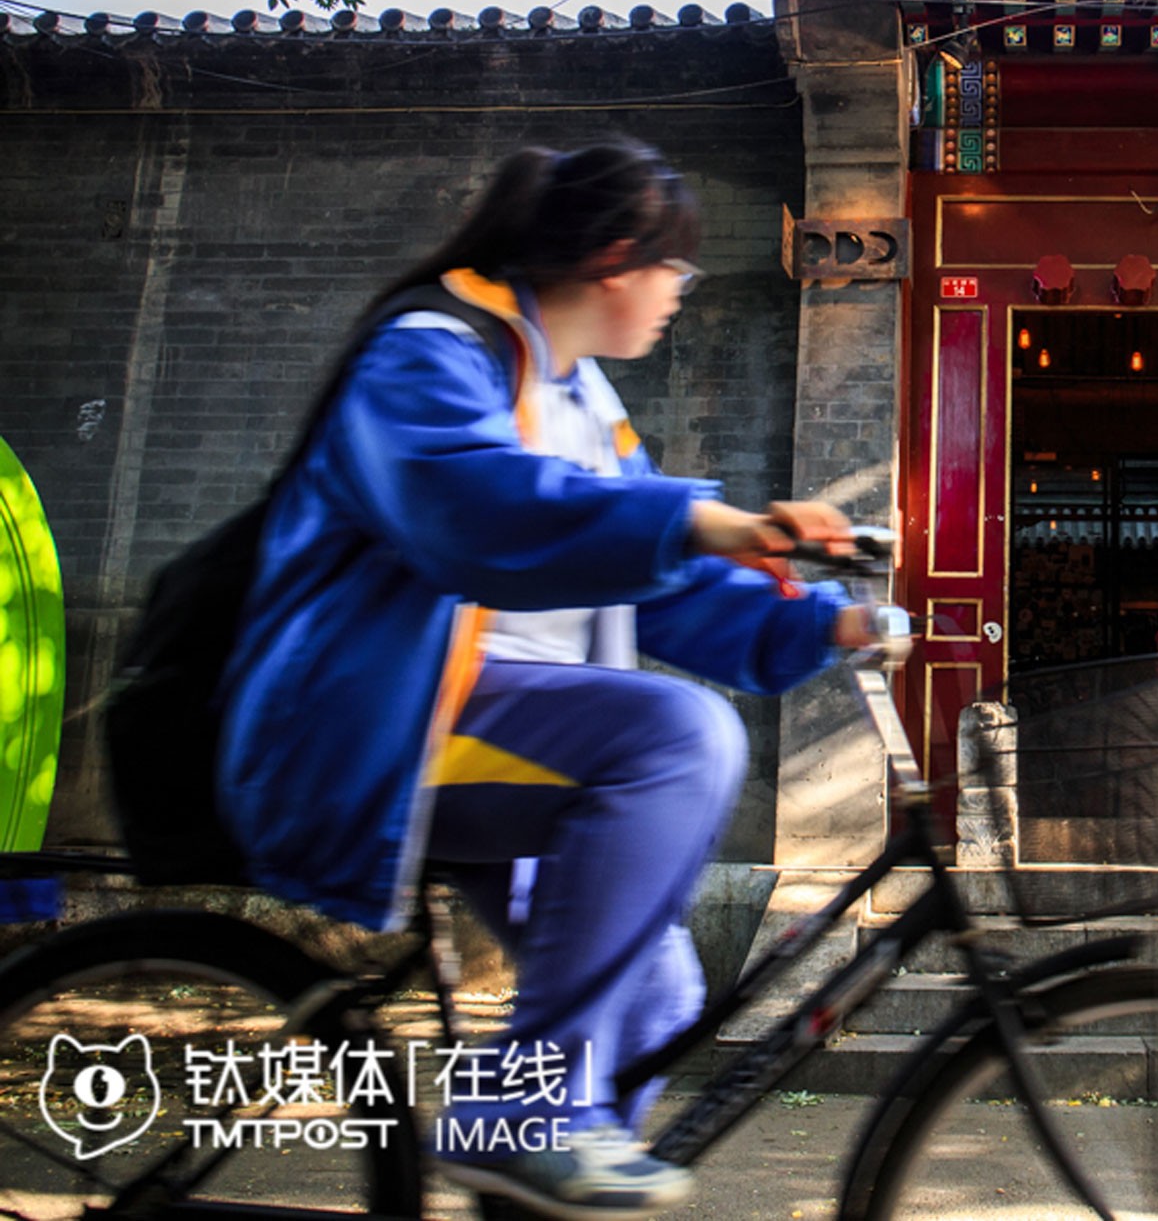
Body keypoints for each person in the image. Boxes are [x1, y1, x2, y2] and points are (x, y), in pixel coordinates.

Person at [216, 140, 876, 1219]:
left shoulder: (585, 403)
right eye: (676, 270)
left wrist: (828, 621)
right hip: (371, 729)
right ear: (617, 260)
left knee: (657, 997)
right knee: (677, 736)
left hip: (510, 740)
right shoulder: (428, 349)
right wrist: (701, 518)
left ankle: (520, 1161)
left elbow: (653, 585)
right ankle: (520, 1109)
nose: (680, 293)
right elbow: (477, 510)